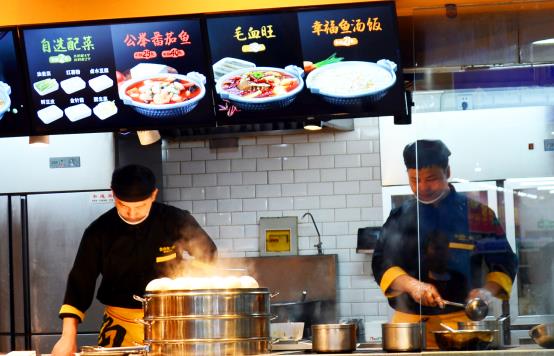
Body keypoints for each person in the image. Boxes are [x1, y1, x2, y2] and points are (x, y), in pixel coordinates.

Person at [51, 164, 217, 355]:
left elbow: (208, 256)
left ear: (153, 195)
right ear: (113, 194)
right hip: (120, 324)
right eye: (123, 205)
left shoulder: (175, 220)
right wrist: (68, 336)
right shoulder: (98, 232)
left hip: (171, 324)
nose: (131, 214)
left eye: (140, 206)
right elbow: (80, 284)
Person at [372, 139, 518, 348]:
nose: (422, 187)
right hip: (409, 326)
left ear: (447, 172)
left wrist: (485, 292)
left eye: (430, 179)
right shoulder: (399, 217)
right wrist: (412, 285)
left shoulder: (478, 215)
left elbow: (504, 264)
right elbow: (380, 264)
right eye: (414, 180)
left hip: (461, 325)